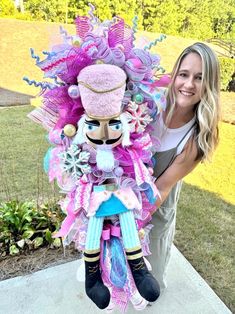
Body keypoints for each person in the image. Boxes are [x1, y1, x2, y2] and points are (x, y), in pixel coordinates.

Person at [149, 42, 221, 290]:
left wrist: (125, 222)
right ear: (174, 75)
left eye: (199, 78)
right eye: (184, 74)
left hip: (153, 206)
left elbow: (161, 189)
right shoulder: (148, 104)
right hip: (118, 193)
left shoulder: (197, 138)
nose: (189, 84)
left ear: (209, 85)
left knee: (150, 282)